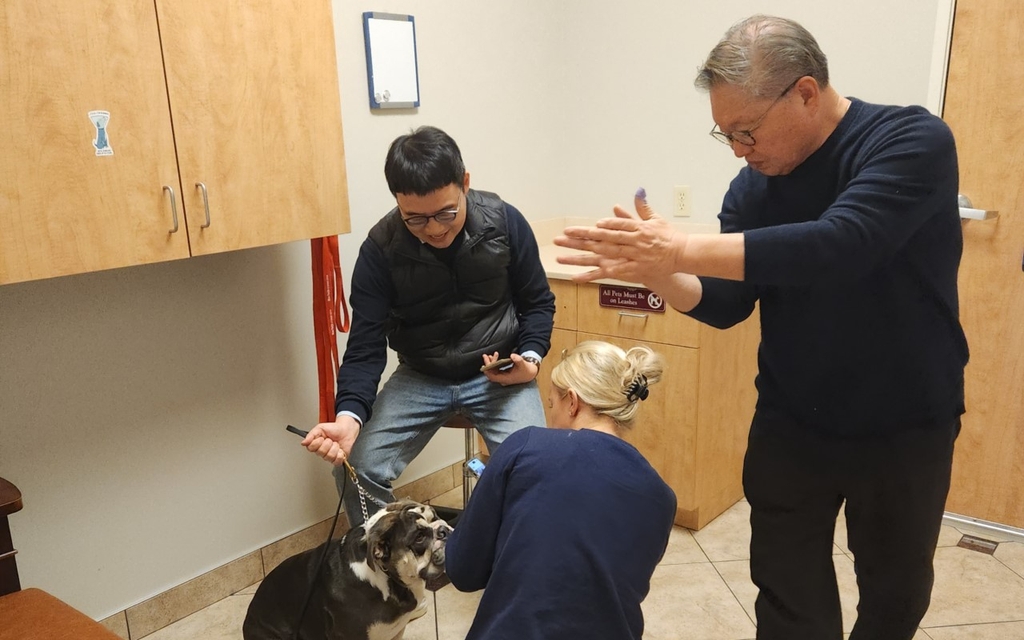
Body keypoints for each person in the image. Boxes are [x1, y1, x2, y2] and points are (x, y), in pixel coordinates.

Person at [554, 15, 969, 640]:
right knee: (786, 591)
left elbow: (840, 245)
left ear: (804, 92)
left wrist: (680, 248)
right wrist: (655, 272)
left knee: (895, 591)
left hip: (905, 423)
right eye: (727, 137)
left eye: (746, 131)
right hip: (792, 420)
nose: (741, 151)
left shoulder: (909, 140)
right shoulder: (755, 184)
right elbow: (725, 304)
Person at [302, 125, 555, 526]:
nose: (435, 229)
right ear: (397, 203)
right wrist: (349, 418)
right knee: (356, 472)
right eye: (415, 219)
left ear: (465, 184)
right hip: (421, 375)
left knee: (535, 470)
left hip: (498, 372)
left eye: (445, 213)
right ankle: (389, 578)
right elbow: (365, 346)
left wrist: (529, 358)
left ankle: (509, 568)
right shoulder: (380, 250)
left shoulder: (506, 223)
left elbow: (538, 303)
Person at [445, 340, 676, 640]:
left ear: (572, 401)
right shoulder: (662, 497)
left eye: (551, 404)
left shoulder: (525, 446)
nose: (550, 415)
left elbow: (463, 570)